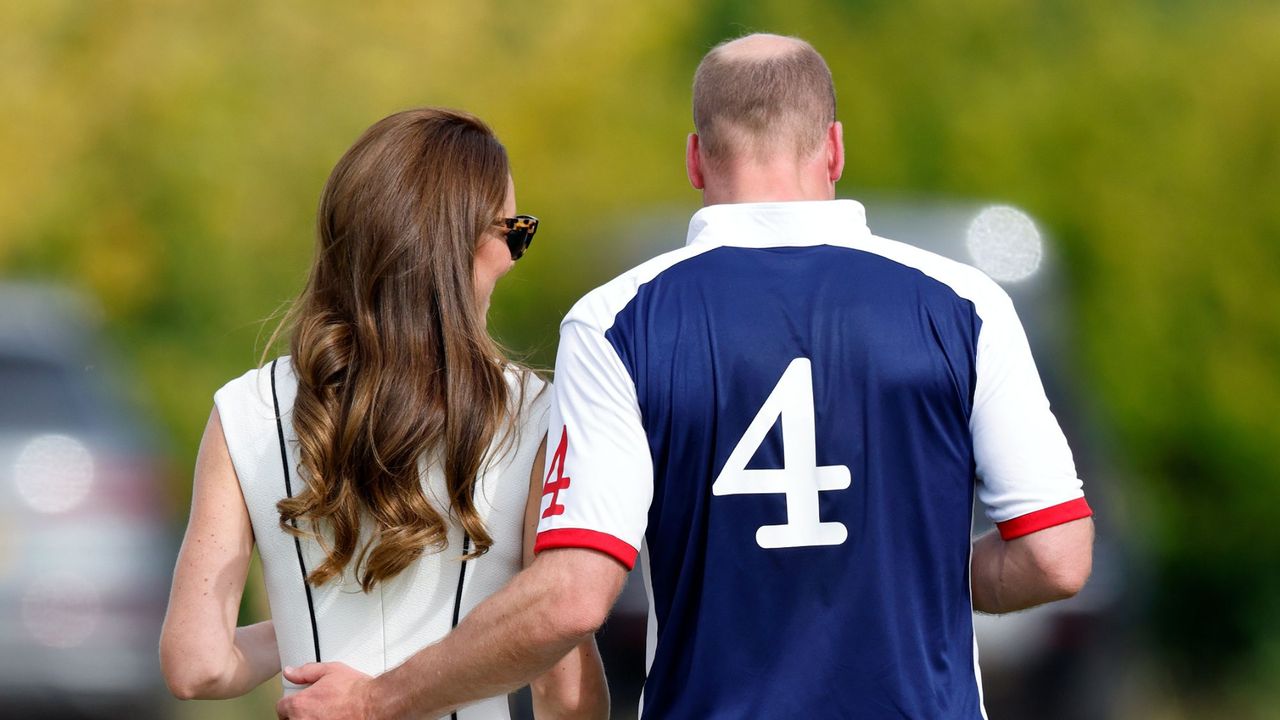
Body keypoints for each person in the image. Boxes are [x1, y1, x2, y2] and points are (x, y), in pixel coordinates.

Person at [277, 34, 1095, 720]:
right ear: (836, 148)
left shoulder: (618, 320)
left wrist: (378, 699)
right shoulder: (965, 301)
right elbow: (1058, 556)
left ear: (697, 159)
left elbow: (570, 597)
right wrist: (905, 578)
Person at [158, 107, 608, 720]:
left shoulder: (244, 409)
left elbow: (196, 665)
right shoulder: (540, 413)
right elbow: (566, 695)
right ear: (463, 246)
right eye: (515, 232)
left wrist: (294, 633)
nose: (511, 257)